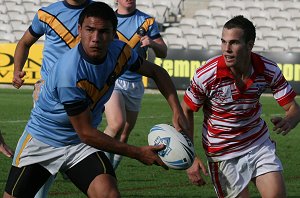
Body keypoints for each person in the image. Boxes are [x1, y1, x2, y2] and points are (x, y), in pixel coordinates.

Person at [3, 2, 188, 197]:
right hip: (43, 142)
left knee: (109, 194)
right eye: (90, 30)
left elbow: (156, 71)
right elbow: (86, 132)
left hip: (79, 146)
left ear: (114, 33)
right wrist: (137, 152)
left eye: (104, 32)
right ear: (79, 30)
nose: (96, 39)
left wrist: (177, 111)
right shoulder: (69, 73)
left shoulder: (120, 52)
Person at [182, 15, 300, 198]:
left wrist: (289, 121)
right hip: (222, 153)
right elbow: (185, 110)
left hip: (258, 143)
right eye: (223, 42)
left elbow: (294, 109)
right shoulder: (207, 74)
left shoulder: (268, 69)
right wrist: (189, 158)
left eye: (234, 43)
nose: (226, 49)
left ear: (250, 45)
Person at [12, 1, 93, 197]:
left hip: (84, 93)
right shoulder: (47, 14)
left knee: (75, 143)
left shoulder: (96, 13)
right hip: (48, 91)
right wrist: (16, 70)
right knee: (45, 150)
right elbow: (24, 42)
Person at [104, 0, 167, 169]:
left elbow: (164, 52)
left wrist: (152, 43)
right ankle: (96, 164)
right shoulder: (108, 19)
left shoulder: (147, 21)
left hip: (136, 83)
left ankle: (110, 172)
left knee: (124, 134)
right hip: (114, 79)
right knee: (116, 124)